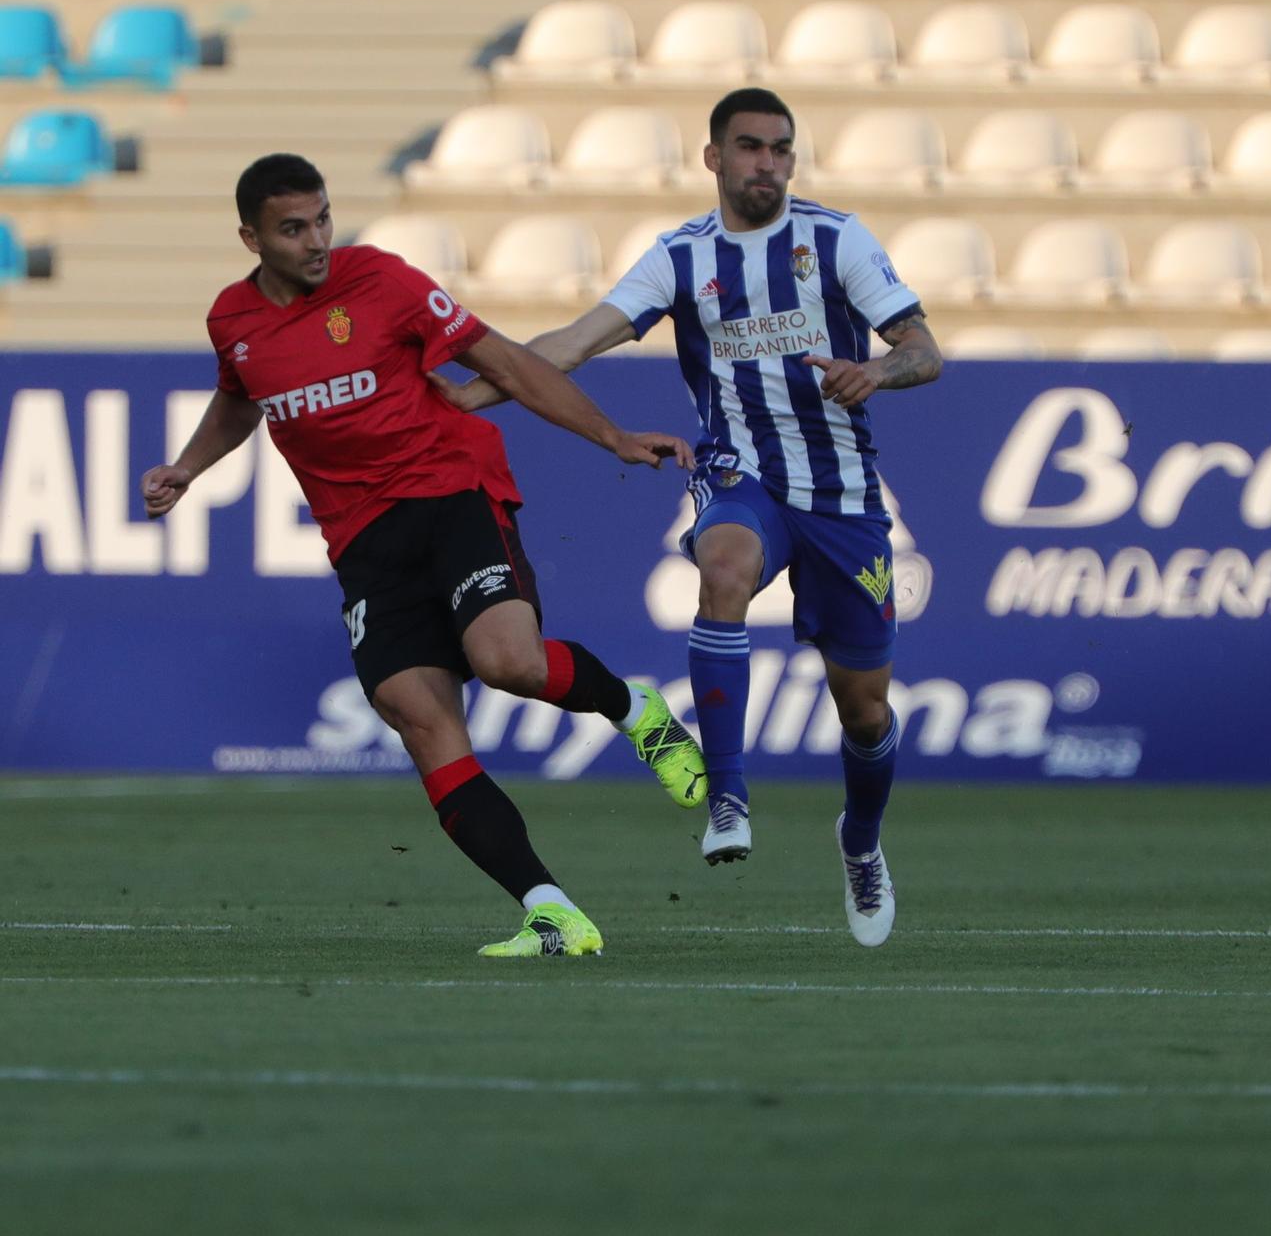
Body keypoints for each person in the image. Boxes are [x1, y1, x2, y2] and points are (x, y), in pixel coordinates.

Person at [141, 153, 708, 958]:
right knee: (417, 714)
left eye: (323, 219)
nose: (317, 241)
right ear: (250, 238)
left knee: (507, 658)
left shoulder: (381, 282)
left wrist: (612, 435)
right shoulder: (231, 322)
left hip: (451, 493)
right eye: (294, 228)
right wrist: (187, 469)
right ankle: (549, 910)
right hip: (365, 543)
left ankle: (634, 710)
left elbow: (505, 361)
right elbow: (242, 397)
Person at [435, 88, 942, 947]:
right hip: (740, 473)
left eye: (782, 149)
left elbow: (924, 349)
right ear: (714, 157)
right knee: (724, 566)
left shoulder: (836, 239)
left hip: (844, 494)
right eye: (750, 147)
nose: (768, 164)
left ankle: (859, 838)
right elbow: (574, 342)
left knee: (864, 711)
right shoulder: (681, 257)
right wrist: (467, 398)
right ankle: (729, 792)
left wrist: (877, 373)